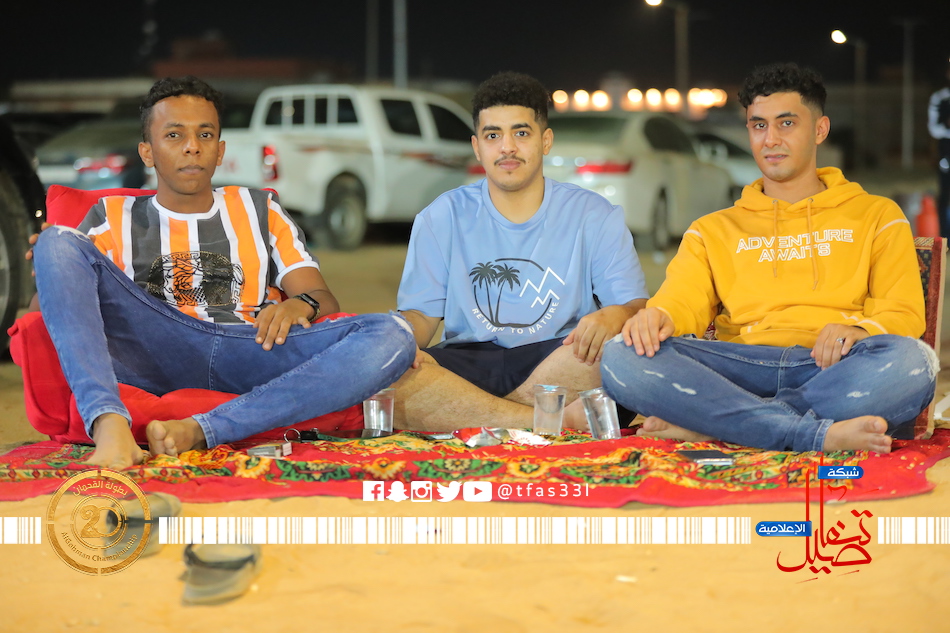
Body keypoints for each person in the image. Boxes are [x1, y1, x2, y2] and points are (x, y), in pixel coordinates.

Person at [27, 76, 416, 469]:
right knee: (56, 240)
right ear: (147, 152)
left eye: (205, 134)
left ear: (220, 150)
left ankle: (201, 430)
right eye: (174, 135)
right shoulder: (111, 217)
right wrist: (52, 265)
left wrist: (301, 305)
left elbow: (321, 297)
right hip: (153, 349)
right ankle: (110, 427)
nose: (192, 146)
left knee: (394, 333)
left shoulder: (260, 210)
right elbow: (45, 312)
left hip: (251, 347)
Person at [600, 62, 937, 454]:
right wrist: (659, 317)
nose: (770, 139)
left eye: (786, 123)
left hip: (832, 367)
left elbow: (903, 311)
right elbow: (681, 300)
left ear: (820, 130)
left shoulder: (876, 214)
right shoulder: (712, 229)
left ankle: (722, 424)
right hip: (736, 369)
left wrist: (861, 329)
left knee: (914, 362)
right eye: (758, 125)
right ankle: (807, 433)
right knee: (622, 354)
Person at [393, 71, 649, 431]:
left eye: (521, 133)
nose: (507, 147)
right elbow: (420, 316)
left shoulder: (594, 215)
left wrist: (615, 315)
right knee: (393, 379)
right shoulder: (441, 216)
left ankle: (468, 414)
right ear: (477, 146)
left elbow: (636, 308)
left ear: (546, 141)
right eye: (493, 135)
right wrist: (396, 343)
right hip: (468, 361)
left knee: (624, 359)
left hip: (560, 356)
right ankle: (549, 419)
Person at [928, 60, 950, 237]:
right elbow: (933, 129)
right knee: (945, 194)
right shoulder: (939, 97)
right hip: (947, 151)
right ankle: (945, 237)